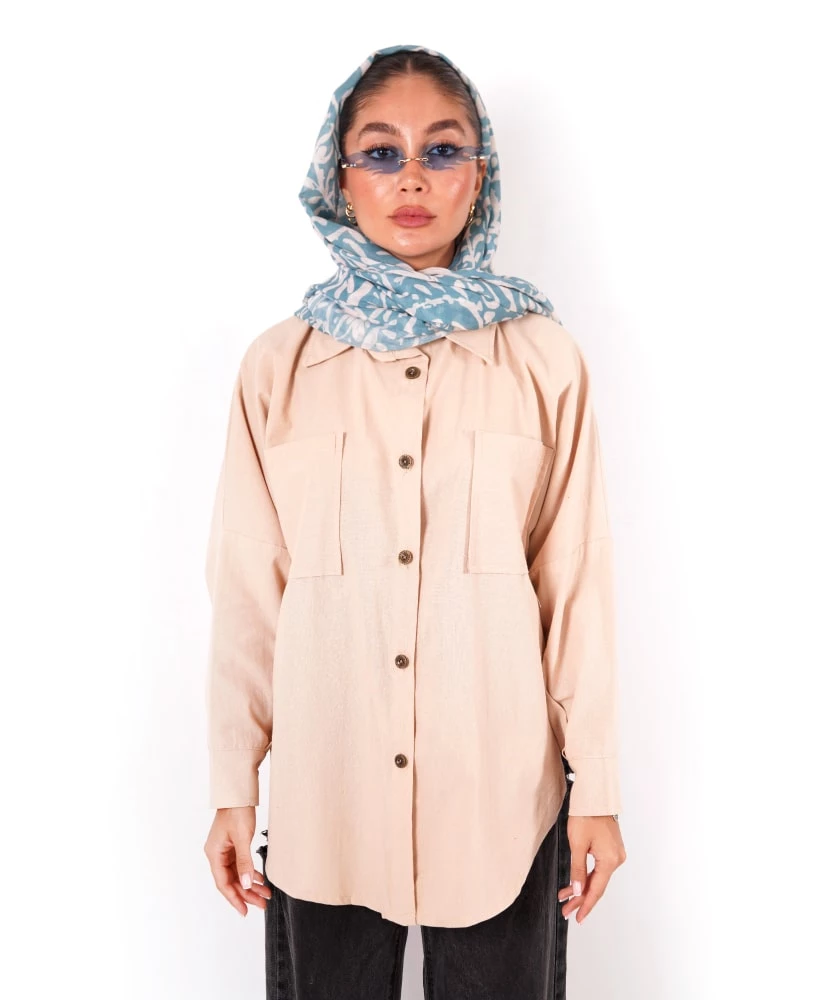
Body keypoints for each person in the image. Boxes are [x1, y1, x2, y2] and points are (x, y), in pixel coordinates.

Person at [202, 43, 627, 999]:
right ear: (339, 173)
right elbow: (248, 591)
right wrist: (235, 782)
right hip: (328, 797)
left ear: (480, 172)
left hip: (500, 801)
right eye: (381, 152)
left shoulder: (544, 362)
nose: (412, 179)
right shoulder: (279, 368)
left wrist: (596, 788)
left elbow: (575, 583)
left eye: (441, 149)